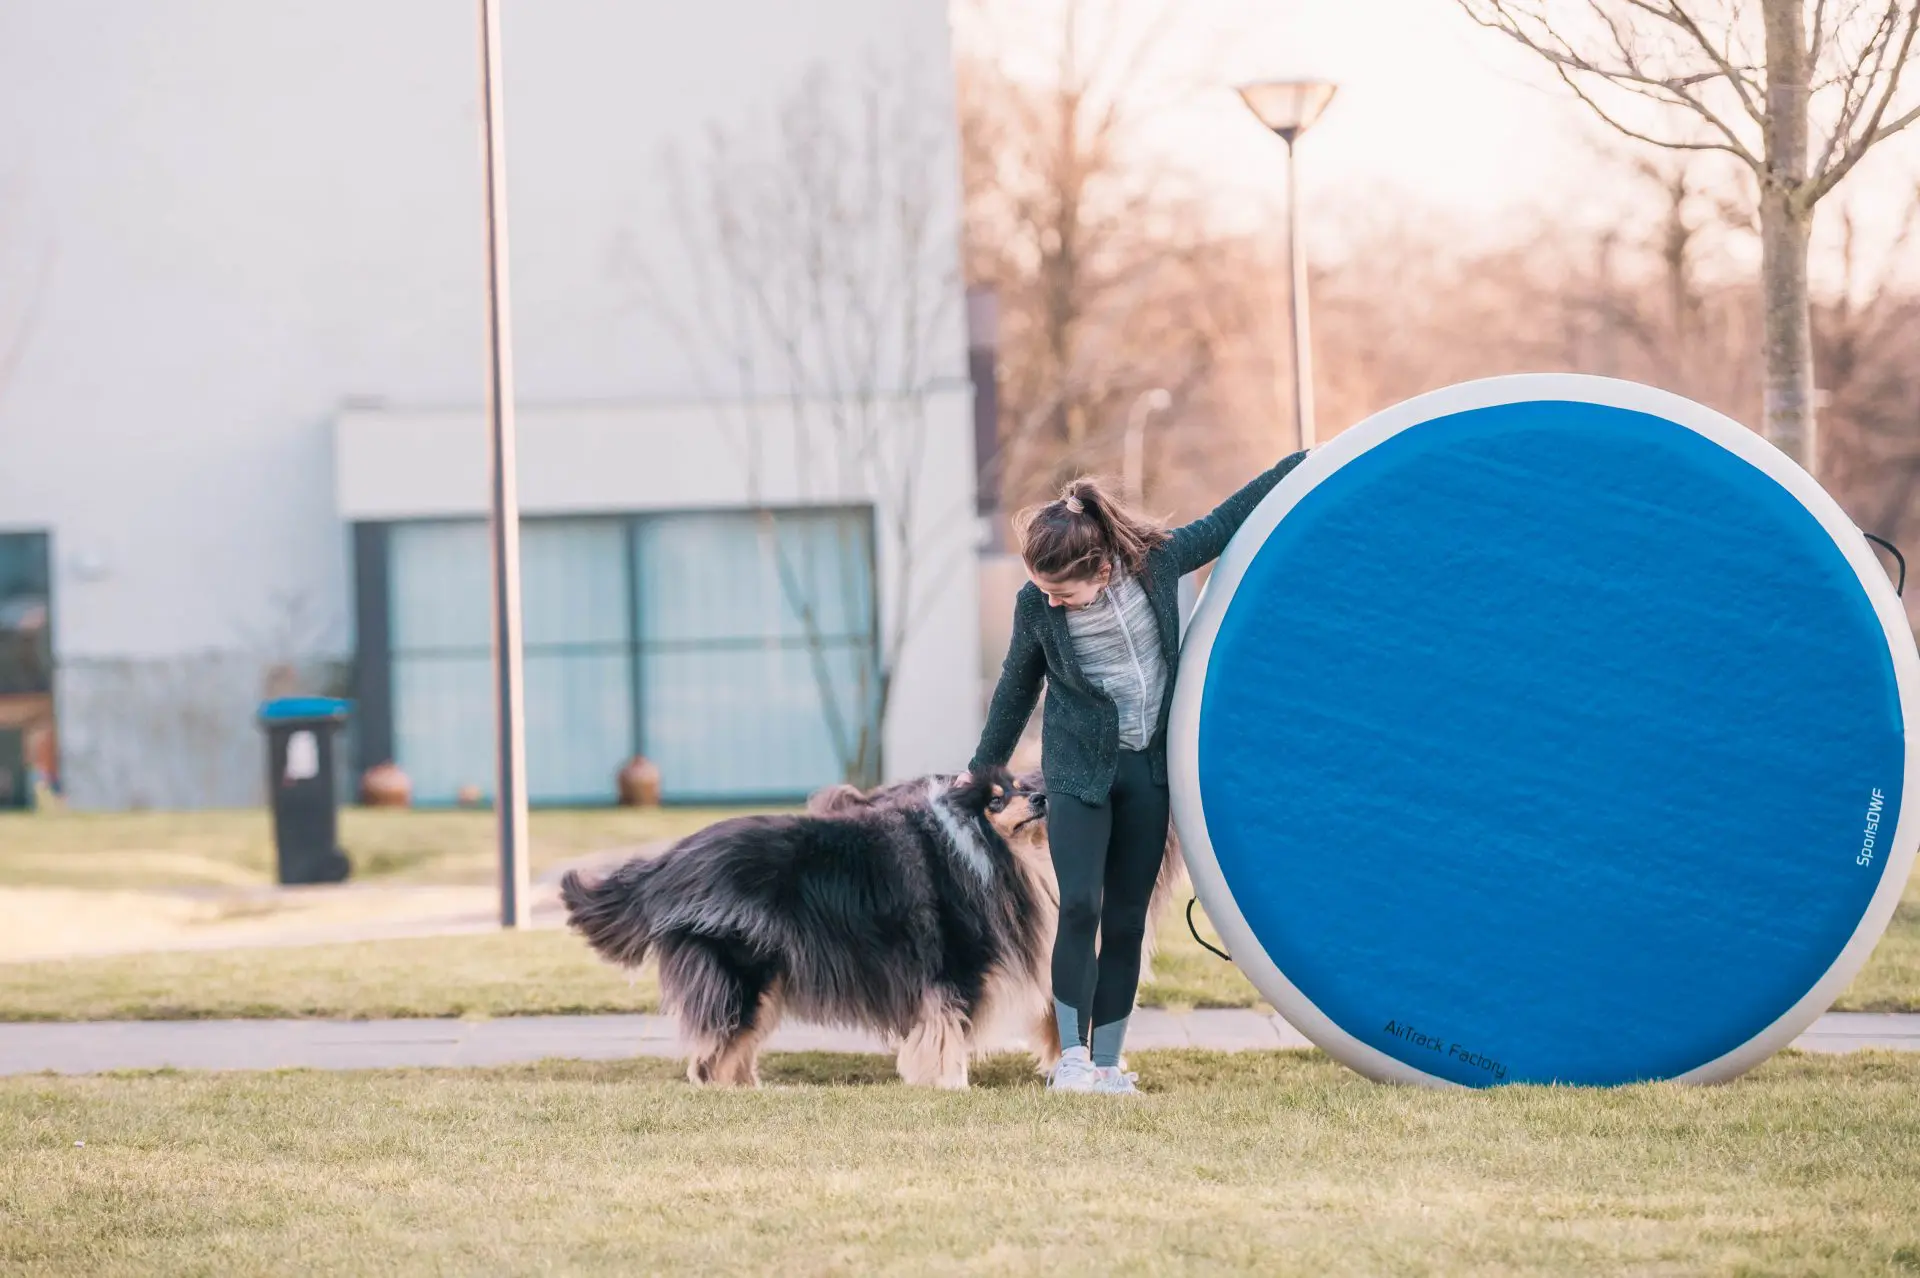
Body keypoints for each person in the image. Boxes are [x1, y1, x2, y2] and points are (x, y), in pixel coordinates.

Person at [966, 450, 1310, 1094]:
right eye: (1043, 588)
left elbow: (1228, 519)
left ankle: (1107, 1065)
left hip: (1148, 772)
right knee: (1080, 907)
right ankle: (1070, 1060)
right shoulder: (1036, 606)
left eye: (1062, 591)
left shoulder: (1158, 563)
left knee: (1127, 919)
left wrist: (1306, 465)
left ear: (1100, 569)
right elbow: (1015, 687)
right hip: (1077, 773)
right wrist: (982, 770)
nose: (1051, 599)